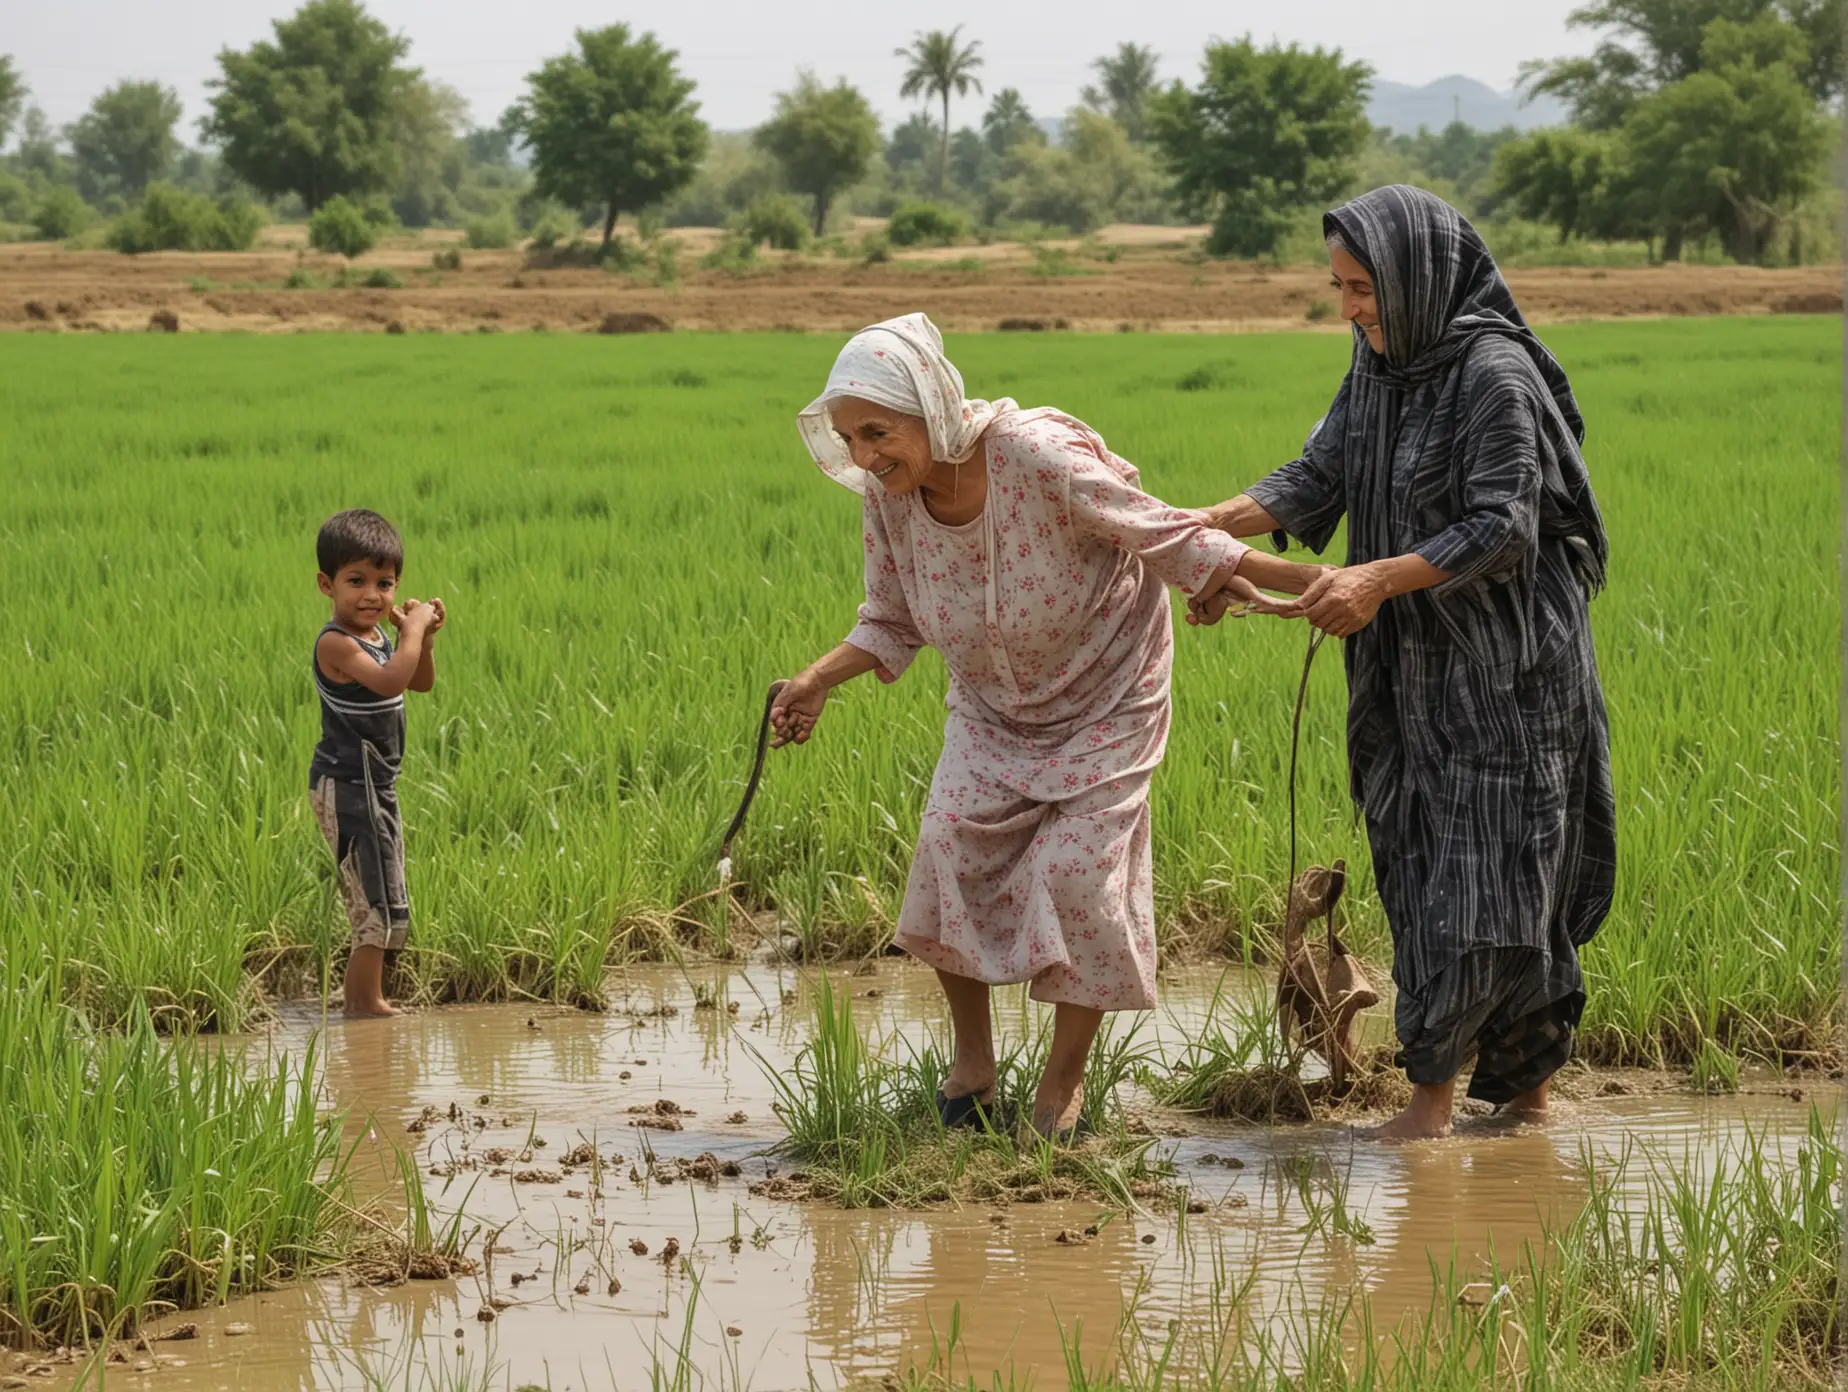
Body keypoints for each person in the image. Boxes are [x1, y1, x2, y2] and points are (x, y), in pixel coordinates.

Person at [770, 312, 1303, 1140]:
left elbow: (1157, 529)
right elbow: (891, 617)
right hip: (991, 705)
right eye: (850, 440)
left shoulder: (1031, 456)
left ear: (931, 409)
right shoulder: (892, 499)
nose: (866, 456)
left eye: (878, 432)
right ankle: (973, 1068)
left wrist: (1313, 581)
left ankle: (1064, 1082)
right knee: (951, 845)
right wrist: (815, 681)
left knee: (1081, 874)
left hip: (1106, 693)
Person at [1195, 186, 1617, 1141]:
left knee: (1498, 883)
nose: (1349, 308)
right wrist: (1209, 528)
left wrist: (1376, 579)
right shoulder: (1381, 365)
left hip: (1507, 678)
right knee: (1425, 866)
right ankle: (1523, 1106)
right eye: (1339, 287)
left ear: (1417, 277)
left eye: (1361, 287)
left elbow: (1504, 524)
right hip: (1411, 672)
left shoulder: (1493, 373)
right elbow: (1319, 476)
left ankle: (1428, 1110)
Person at [310, 508, 445, 1018]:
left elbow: (418, 680)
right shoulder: (336, 644)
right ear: (327, 585)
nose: (372, 594)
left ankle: (371, 1000)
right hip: (347, 788)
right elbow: (390, 681)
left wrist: (423, 639)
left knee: (389, 889)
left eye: (384, 583)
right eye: (356, 581)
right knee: (374, 901)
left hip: (374, 788)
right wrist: (410, 629)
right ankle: (362, 1007)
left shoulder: (374, 637)